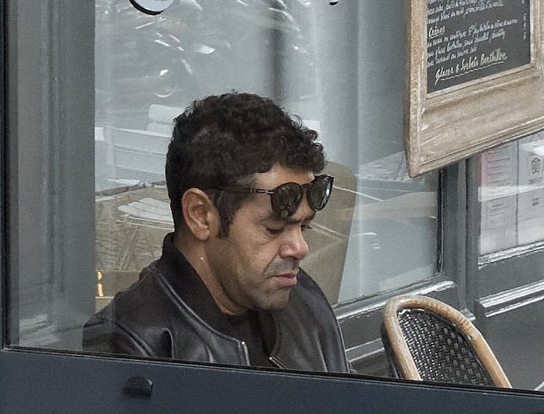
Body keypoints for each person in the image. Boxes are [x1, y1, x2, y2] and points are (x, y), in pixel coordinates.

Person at [84, 92, 349, 372]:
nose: (299, 248)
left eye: (303, 226)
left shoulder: (304, 301)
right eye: (273, 229)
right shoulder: (135, 343)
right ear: (200, 215)